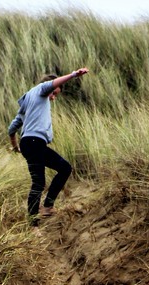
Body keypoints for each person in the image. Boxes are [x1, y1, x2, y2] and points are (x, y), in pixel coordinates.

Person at [8, 68, 89, 220]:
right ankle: (36, 220)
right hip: (34, 143)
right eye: (54, 93)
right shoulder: (41, 89)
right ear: (49, 87)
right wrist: (73, 75)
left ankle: (47, 207)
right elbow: (52, 84)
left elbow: (12, 128)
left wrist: (14, 146)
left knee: (58, 172)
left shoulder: (29, 103)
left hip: (30, 144)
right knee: (44, 179)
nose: (53, 98)